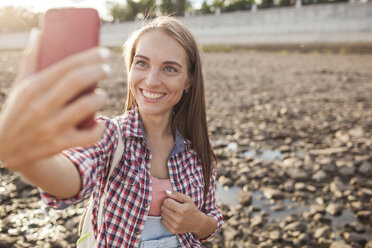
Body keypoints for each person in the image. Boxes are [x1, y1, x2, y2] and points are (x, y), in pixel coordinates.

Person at [0, 16, 223, 247]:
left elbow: (211, 219)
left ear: (189, 80)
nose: (151, 80)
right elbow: (71, 178)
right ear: (130, 66)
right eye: (142, 63)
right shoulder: (110, 135)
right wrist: (28, 158)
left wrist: (197, 222)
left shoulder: (198, 145)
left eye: (170, 68)